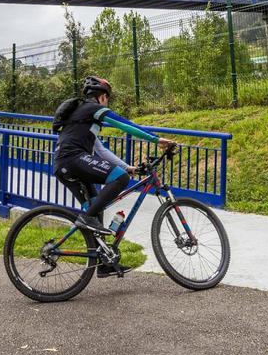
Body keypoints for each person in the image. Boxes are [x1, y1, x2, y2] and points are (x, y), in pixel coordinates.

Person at [52, 76, 175, 259]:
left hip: (65, 165)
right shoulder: (92, 109)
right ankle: (86, 218)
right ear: (102, 96)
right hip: (73, 160)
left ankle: (103, 262)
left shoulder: (83, 118)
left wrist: (127, 167)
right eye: (107, 98)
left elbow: (100, 149)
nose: (107, 102)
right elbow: (125, 124)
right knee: (120, 179)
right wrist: (156, 139)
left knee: (96, 211)